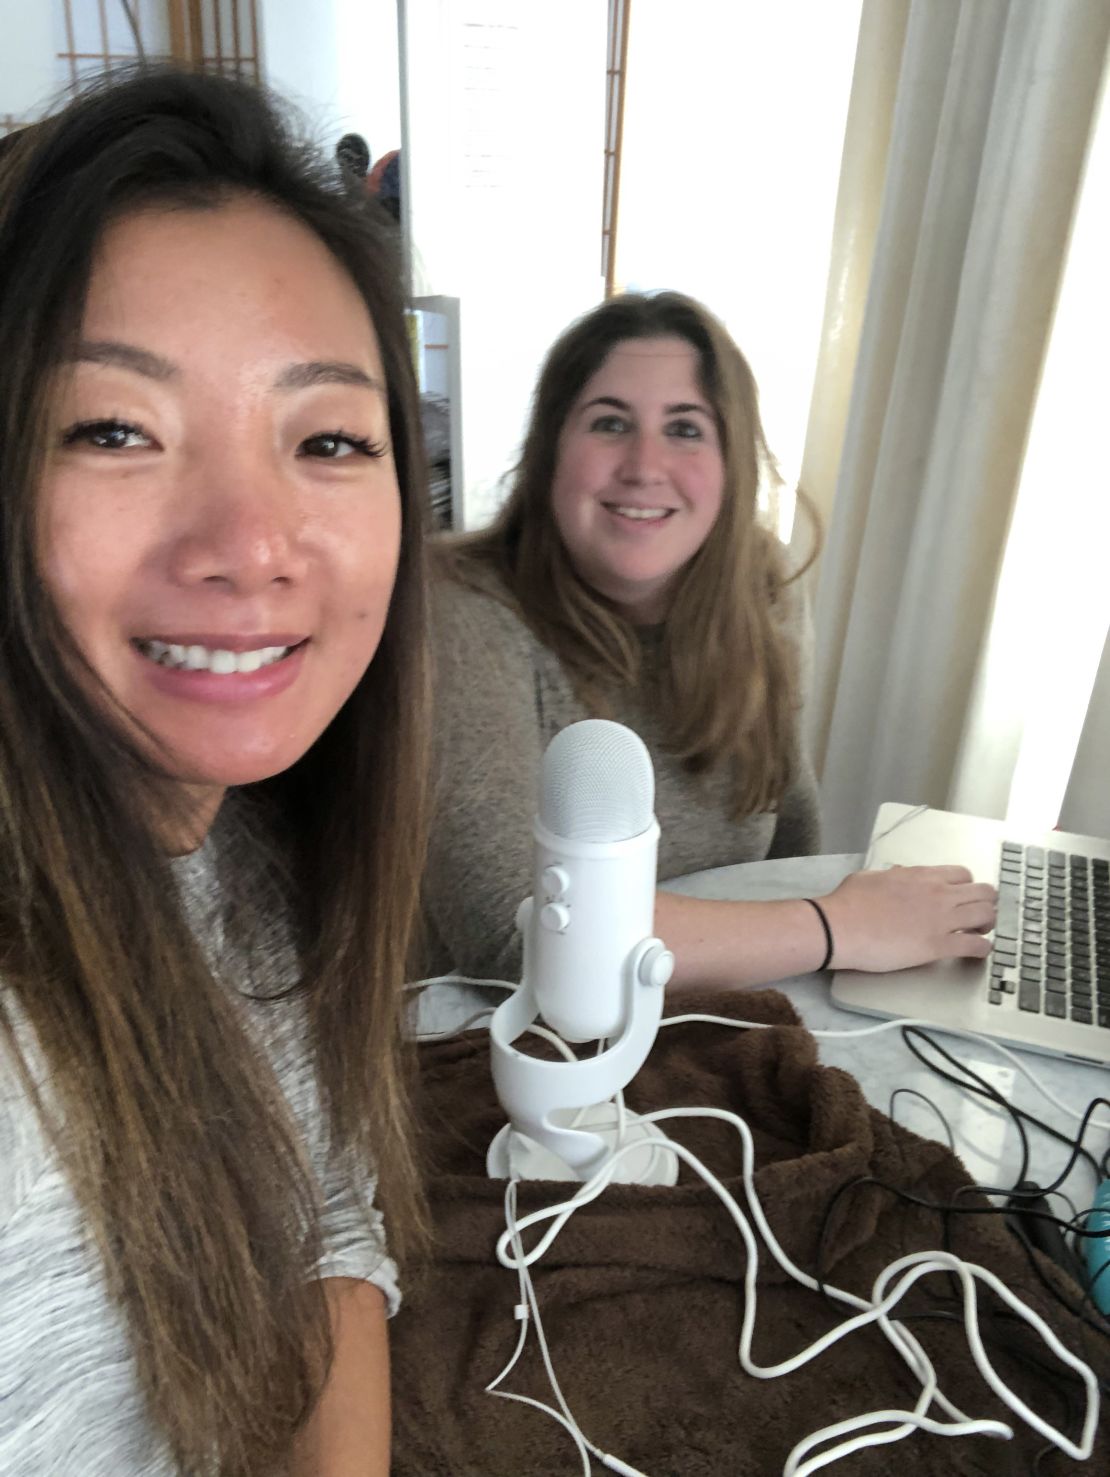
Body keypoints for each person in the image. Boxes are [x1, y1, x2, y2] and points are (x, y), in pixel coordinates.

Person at [0, 68, 428, 1476]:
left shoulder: (248, 846)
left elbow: (330, 1228)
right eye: (113, 429)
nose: (250, 541)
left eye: (325, 440)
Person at [422, 291, 996, 989]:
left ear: (732, 463)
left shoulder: (765, 584)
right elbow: (514, 929)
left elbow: (789, 823)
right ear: (549, 455)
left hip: (712, 1013)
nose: (644, 464)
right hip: (504, 1043)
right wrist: (836, 926)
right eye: (609, 423)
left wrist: (834, 962)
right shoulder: (459, 608)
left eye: (686, 429)